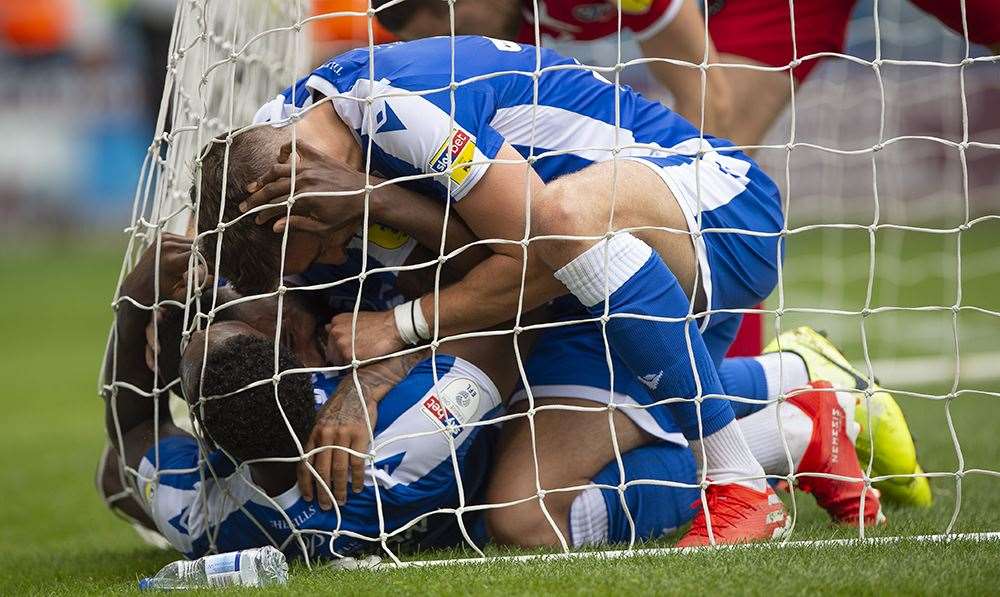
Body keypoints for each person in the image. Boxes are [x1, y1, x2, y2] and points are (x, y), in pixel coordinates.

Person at [222, 34, 882, 545]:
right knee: (522, 515)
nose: (335, 259)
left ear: (297, 211)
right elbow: (478, 262)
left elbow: (533, 251)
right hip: (583, 288)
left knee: (562, 215)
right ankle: (796, 419)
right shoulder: (274, 136)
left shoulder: (406, 113)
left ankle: (736, 480)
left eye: (319, 247)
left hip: (711, 208)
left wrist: (395, 335)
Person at [369, 0, 1000, 149]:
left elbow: (703, 86)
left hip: (720, 19)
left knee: (704, 174)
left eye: (436, 18)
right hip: (764, 8)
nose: (442, 39)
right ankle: (727, 387)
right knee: (724, 166)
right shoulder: (498, 34)